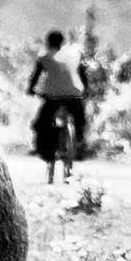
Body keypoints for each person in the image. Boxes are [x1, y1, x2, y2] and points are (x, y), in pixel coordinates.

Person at [26, 29, 87, 183]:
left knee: (41, 125)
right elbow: (82, 75)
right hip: (75, 96)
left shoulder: (44, 56)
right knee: (80, 122)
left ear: (48, 42)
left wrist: (31, 89)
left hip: (53, 98)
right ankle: (79, 142)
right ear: (62, 42)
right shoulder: (74, 54)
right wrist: (85, 90)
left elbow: (36, 76)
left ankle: (43, 149)